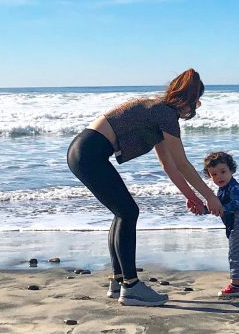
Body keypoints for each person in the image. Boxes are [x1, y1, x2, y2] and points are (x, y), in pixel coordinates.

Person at [67, 69, 223, 306]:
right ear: (190, 100)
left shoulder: (157, 111)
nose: (195, 109)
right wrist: (210, 196)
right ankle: (131, 287)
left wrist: (191, 197)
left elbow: (168, 165)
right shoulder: (165, 115)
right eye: (197, 103)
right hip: (89, 153)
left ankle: (119, 281)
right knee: (128, 212)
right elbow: (182, 163)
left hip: (82, 151)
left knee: (123, 213)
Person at [202, 150, 239, 299]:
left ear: (231, 170)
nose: (219, 176)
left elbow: (236, 204)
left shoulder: (235, 188)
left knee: (235, 256)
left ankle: (235, 285)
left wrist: (220, 208)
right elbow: (217, 207)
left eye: (222, 171)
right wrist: (202, 209)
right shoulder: (222, 189)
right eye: (214, 174)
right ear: (209, 175)